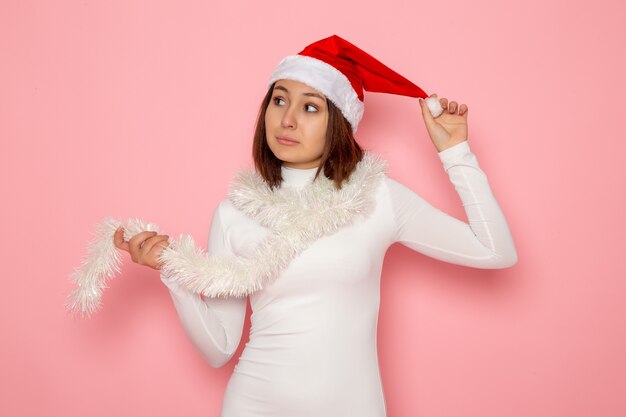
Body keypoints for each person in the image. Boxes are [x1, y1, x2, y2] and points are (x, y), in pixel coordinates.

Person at [113, 35, 517, 417]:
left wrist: (456, 154)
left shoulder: (377, 197)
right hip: (253, 405)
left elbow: (495, 251)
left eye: (310, 107)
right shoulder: (234, 212)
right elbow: (219, 347)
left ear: (339, 122)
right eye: (278, 101)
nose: (287, 120)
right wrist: (173, 270)